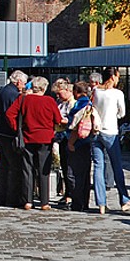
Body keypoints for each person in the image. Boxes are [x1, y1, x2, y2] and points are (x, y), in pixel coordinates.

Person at [7, 76, 62, 211]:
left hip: (27, 138)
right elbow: (58, 119)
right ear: (44, 88)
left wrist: (17, 129)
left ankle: (28, 201)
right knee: (44, 170)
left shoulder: (23, 99)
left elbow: (10, 114)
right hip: (45, 138)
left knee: (28, 169)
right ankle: (44, 202)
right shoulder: (49, 101)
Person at [91, 67, 130, 213]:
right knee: (117, 166)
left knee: (98, 167)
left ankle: (101, 203)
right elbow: (122, 113)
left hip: (96, 131)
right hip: (110, 131)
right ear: (113, 77)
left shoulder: (96, 91)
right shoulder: (117, 93)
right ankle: (124, 199)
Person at [0, 70, 27, 207]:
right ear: (18, 82)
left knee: (3, 166)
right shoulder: (15, 95)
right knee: (14, 166)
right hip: (9, 132)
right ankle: (11, 198)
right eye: (24, 83)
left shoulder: (1, 91)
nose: (24, 85)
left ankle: (0, 196)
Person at [66, 81, 96, 212]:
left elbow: (74, 126)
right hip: (88, 141)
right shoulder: (91, 103)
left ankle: (77, 202)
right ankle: (85, 201)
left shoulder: (79, 105)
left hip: (77, 142)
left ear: (76, 92)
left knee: (72, 174)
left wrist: (70, 143)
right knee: (85, 174)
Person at [51, 78, 75, 206]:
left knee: (70, 166)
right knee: (64, 166)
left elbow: (72, 120)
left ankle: (71, 193)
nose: (58, 96)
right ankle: (67, 193)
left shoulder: (72, 103)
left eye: (59, 93)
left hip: (69, 136)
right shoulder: (60, 103)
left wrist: (61, 120)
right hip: (61, 136)